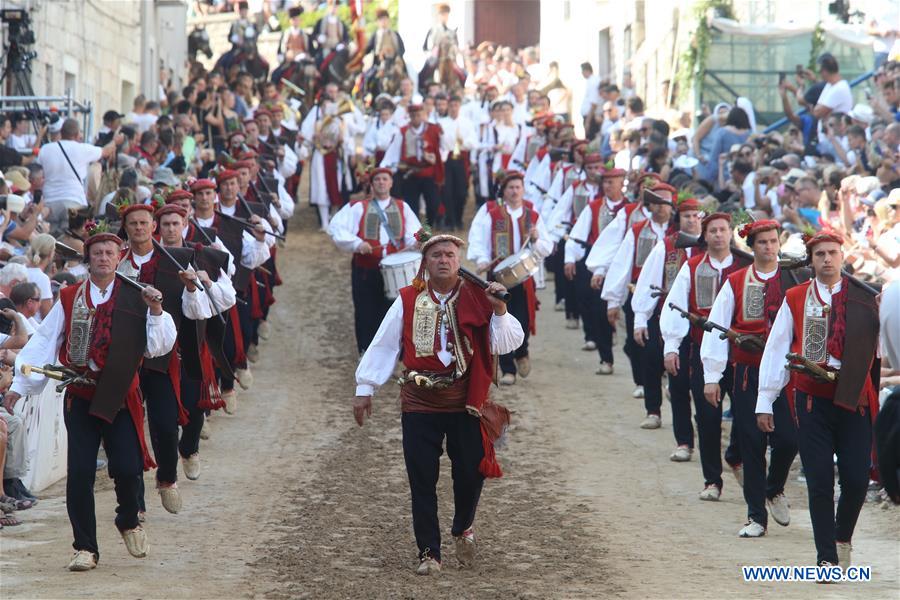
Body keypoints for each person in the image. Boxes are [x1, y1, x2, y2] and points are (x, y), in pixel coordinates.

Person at [4, 224, 175, 571]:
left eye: (109, 252)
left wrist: (156, 311)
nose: (103, 258)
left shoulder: (137, 295)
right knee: (80, 473)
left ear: (119, 257)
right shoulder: (69, 297)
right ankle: (85, 547)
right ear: (88, 259)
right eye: (97, 253)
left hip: (119, 397)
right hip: (80, 396)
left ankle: (128, 519)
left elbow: (159, 345)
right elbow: (44, 342)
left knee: (127, 469)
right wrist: (19, 387)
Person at [353, 229, 523, 574]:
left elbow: (506, 344)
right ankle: (429, 552)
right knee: (421, 477)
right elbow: (385, 344)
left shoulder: (479, 296)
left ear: (459, 262)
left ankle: (463, 527)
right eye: (436, 255)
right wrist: (365, 387)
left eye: (449, 255)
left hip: (466, 403)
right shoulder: (407, 299)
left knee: (470, 472)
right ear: (425, 263)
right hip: (419, 402)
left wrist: (500, 310)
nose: (443, 260)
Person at [757, 231, 880, 571]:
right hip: (812, 399)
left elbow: (884, 350)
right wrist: (766, 400)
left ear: (843, 256)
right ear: (811, 261)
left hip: (854, 397)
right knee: (819, 478)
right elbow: (777, 348)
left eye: (833, 253)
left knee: (855, 479)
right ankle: (826, 556)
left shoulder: (866, 299)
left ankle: (842, 538)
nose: (827, 259)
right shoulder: (796, 297)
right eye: (820, 254)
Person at [700, 220, 802, 537]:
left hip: (786, 375)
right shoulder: (736, 281)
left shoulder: (794, 279)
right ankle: (756, 516)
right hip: (748, 372)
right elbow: (717, 327)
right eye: (762, 243)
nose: (769, 247)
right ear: (751, 246)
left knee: (789, 439)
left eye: (773, 241)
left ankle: (774, 487)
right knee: (752, 443)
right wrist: (712, 375)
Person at [116, 200, 213, 514]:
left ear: (152, 226)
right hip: (124, 358)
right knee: (126, 429)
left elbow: (197, 312)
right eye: (133, 224)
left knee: (166, 424)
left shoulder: (178, 259)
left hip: (163, 355)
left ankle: (168, 477)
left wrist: (192, 289)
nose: (140, 228)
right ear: (126, 229)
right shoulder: (115, 262)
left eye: (144, 223)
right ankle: (134, 503)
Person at [660, 213, 751, 501]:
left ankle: (735, 454)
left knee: (746, 413)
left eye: (723, 230)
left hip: (741, 355)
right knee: (708, 418)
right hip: (703, 352)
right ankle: (712, 480)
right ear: (705, 235)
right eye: (713, 231)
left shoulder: (745, 267)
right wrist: (671, 345)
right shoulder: (693, 266)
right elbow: (674, 305)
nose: (719, 235)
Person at [632, 195, 703, 459]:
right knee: (677, 382)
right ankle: (683, 441)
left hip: (707, 328)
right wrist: (640, 318)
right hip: (671, 321)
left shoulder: (714, 249)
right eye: (687, 216)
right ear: (679, 219)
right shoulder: (667, 246)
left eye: (697, 216)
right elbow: (647, 281)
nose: (692, 220)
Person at [602, 184, 676, 426]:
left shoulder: (680, 233)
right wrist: (614, 300)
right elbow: (622, 264)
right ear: (651, 205)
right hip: (644, 299)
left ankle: (671, 388)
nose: (663, 207)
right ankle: (653, 410)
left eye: (667, 202)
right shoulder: (637, 231)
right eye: (659, 202)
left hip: (677, 305)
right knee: (649, 353)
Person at [468, 172, 552, 385]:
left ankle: (522, 351)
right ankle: (507, 369)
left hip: (524, 277)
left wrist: (536, 239)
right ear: (503, 191)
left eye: (518, 187)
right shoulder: (490, 213)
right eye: (510, 187)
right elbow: (478, 240)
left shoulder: (532, 215)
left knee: (522, 319)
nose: (515, 191)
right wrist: (482, 259)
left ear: (523, 189)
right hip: (498, 277)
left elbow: (546, 247)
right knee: (499, 320)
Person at [328, 168, 421, 353]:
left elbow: (413, 233)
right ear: (371, 184)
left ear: (391, 183)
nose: (381, 182)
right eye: (377, 179)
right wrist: (357, 243)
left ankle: (394, 353)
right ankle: (366, 351)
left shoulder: (403, 207)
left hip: (396, 270)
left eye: (385, 179)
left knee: (395, 313)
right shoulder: (358, 206)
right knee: (366, 311)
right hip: (366, 269)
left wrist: (416, 243)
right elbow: (335, 228)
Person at [38, 119, 122, 233]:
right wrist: (115, 141)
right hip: (74, 201)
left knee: (51, 240)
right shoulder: (82, 148)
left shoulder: (45, 149)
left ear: (61, 132)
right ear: (77, 134)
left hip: (50, 202)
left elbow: (39, 173)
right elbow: (106, 151)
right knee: (70, 240)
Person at [381, 104, 444, 226]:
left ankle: (428, 226)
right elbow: (393, 151)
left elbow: (442, 147)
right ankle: (415, 231)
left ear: (423, 114)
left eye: (418, 115)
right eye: (413, 115)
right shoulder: (403, 131)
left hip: (428, 174)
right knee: (411, 206)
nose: (416, 118)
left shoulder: (433, 129)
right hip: (410, 175)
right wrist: (386, 167)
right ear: (409, 116)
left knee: (433, 203)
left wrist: (434, 158)